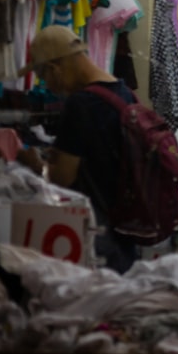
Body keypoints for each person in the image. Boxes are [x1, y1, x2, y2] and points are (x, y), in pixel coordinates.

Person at [15, 26, 139, 272]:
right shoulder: (125, 93)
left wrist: (33, 164)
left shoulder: (81, 104)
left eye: (44, 77)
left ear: (54, 68)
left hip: (95, 234)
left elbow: (61, 178)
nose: (48, 86)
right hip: (126, 232)